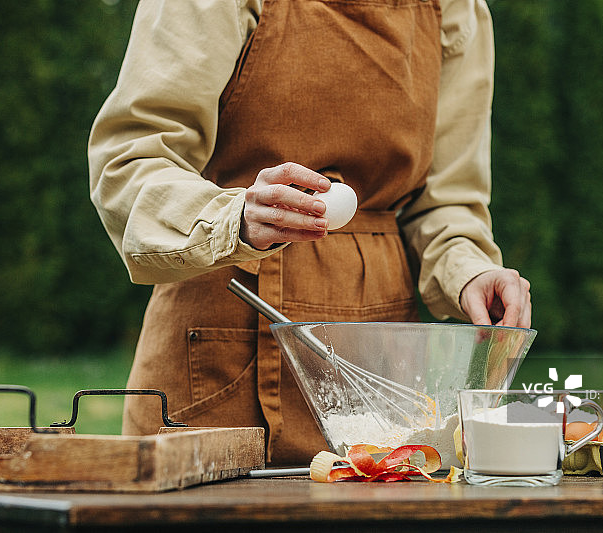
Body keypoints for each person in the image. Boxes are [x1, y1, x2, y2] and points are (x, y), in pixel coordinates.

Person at [88, 0, 531, 465]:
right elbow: (129, 162)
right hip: (221, 350)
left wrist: (469, 271)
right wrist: (234, 216)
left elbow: (445, 203)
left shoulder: (454, 8)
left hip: (378, 369)